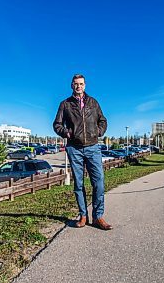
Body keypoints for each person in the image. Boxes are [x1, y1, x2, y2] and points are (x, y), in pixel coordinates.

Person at [53, 74, 112, 230]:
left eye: (81, 84)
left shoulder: (93, 102)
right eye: (76, 84)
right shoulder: (65, 104)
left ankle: (98, 216)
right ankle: (83, 215)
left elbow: (103, 120)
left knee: (98, 182)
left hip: (93, 147)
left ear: (85, 85)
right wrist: (66, 133)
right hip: (74, 148)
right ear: (72, 85)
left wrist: (98, 132)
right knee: (79, 184)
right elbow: (57, 124)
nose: (78, 86)